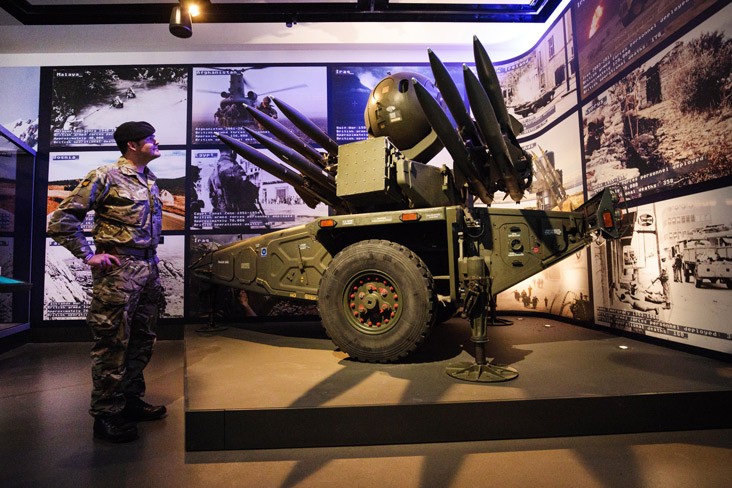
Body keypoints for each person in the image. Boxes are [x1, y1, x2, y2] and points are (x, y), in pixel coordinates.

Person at [48, 121, 167, 443]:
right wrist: (88, 255)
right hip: (118, 272)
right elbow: (61, 220)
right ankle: (106, 414)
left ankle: (129, 401)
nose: (156, 143)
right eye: (150, 139)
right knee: (112, 343)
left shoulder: (149, 180)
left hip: (147, 266)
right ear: (132, 145)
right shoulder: (104, 176)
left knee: (142, 339)